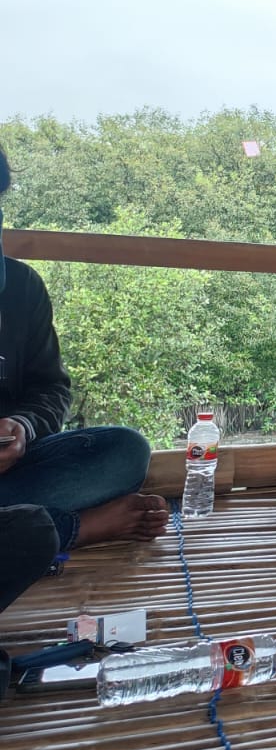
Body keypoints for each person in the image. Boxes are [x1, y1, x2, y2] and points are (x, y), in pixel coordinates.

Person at [0, 146, 164, 562]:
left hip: (11, 475)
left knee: (124, 451)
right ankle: (78, 526)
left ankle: (27, 526)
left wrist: (21, 427)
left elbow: (49, 389)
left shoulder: (19, 287)